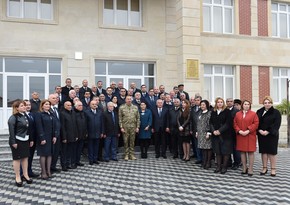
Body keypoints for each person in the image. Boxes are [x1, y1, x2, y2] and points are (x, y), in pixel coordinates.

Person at [8, 100, 33, 187]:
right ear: (17, 108)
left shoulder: (25, 116)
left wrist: (31, 140)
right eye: (22, 106)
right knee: (17, 159)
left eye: (25, 105)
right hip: (17, 141)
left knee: (25, 158)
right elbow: (11, 132)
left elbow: (28, 129)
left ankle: (25, 175)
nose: (24, 107)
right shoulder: (13, 117)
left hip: (25, 140)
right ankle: (18, 176)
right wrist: (13, 142)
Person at [256, 96, 281, 177]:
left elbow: (277, 124)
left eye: (269, 103)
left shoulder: (276, 112)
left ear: (271, 103)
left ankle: (273, 169)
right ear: (263, 103)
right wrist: (259, 130)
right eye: (265, 103)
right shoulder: (259, 111)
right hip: (261, 134)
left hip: (271, 135)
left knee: (272, 152)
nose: (267, 104)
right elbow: (256, 122)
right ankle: (264, 167)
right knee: (263, 152)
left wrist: (268, 131)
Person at [233, 100, 259, 176]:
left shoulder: (253, 114)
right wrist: (239, 131)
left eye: (248, 104)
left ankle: (250, 169)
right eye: (245, 104)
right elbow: (235, 123)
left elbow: (256, 123)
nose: (246, 105)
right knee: (242, 152)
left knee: (250, 152)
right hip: (240, 135)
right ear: (242, 105)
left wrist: (248, 130)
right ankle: (244, 168)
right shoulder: (238, 114)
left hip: (250, 135)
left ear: (250, 106)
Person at [35, 100, 57, 179]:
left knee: (49, 154)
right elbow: (39, 126)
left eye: (49, 104)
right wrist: (42, 138)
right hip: (43, 137)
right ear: (42, 105)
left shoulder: (51, 114)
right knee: (43, 154)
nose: (48, 106)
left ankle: (48, 171)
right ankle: (43, 172)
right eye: (46, 104)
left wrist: (55, 136)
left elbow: (54, 126)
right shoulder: (39, 114)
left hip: (51, 137)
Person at [210, 97, 232, 174]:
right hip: (215, 135)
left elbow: (228, 123)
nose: (220, 103)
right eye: (218, 102)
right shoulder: (213, 111)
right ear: (216, 103)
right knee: (218, 151)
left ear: (223, 103)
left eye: (221, 102)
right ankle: (218, 166)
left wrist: (220, 131)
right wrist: (213, 131)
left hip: (225, 135)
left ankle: (224, 167)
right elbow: (211, 123)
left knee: (225, 152)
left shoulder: (227, 111)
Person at [119, 96, 140, 160]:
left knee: (132, 141)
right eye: (128, 99)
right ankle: (126, 155)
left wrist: (137, 127)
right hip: (125, 127)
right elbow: (120, 118)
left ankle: (132, 154)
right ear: (125, 100)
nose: (129, 100)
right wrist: (121, 127)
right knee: (125, 141)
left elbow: (138, 118)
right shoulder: (121, 107)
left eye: (130, 99)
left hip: (133, 127)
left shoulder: (135, 107)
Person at [23, 99, 39, 178]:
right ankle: (22, 173)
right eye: (26, 105)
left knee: (30, 157)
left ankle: (29, 171)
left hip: (33, 140)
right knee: (24, 158)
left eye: (29, 105)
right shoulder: (21, 116)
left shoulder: (32, 114)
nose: (28, 106)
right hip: (25, 140)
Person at [60, 101, 78, 170]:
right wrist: (64, 137)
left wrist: (76, 135)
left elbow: (75, 125)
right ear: (65, 106)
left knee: (70, 151)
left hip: (73, 135)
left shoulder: (73, 113)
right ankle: (64, 165)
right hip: (66, 136)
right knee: (64, 152)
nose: (70, 106)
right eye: (68, 105)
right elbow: (63, 127)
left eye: (70, 105)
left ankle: (69, 163)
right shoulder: (62, 114)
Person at [85, 100, 104, 165]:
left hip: (98, 133)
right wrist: (86, 132)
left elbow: (102, 123)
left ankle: (95, 159)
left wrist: (102, 132)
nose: (94, 105)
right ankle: (91, 159)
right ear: (90, 105)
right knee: (90, 147)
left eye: (95, 104)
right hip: (90, 133)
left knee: (96, 147)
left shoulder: (100, 112)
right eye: (93, 104)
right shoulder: (87, 112)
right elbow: (85, 124)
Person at [196, 100, 212, 169]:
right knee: (203, 148)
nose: (202, 106)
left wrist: (209, 132)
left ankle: (208, 162)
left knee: (208, 148)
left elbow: (210, 123)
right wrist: (197, 132)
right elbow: (198, 123)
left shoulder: (209, 113)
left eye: (203, 105)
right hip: (200, 133)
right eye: (201, 105)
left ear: (206, 105)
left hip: (206, 133)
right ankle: (204, 161)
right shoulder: (200, 113)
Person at [226, 97, 241, 170]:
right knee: (227, 148)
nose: (229, 102)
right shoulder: (224, 110)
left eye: (231, 101)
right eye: (228, 101)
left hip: (234, 132)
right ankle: (228, 162)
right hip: (226, 133)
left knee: (236, 149)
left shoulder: (237, 111)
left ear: (233, 103)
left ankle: (236, 163)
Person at [74, 101, 87, 167]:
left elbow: (85, 124)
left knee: (79, 149)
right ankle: (73, 162)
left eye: (81, 105)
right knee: (74, 149)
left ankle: (77, 161)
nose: (81, 106)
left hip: (82, 134)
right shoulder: (73, 113)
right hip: (76, 135)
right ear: (75, 106)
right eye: (79, 105)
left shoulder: (83, 113)